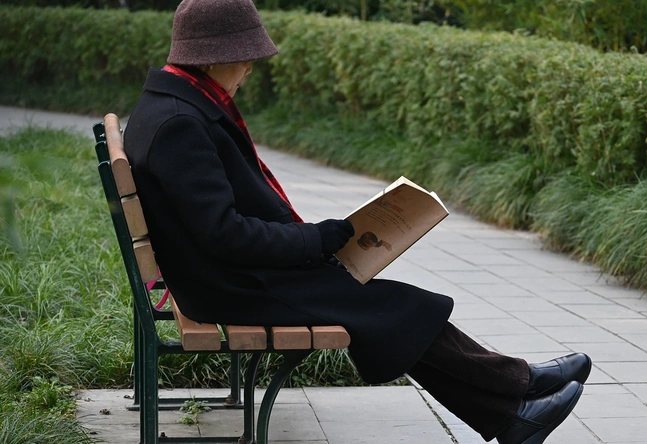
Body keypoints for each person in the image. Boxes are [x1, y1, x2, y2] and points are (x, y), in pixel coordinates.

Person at [123, 1, 591, 443]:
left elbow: (218, 227)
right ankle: (519, 391)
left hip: (226, 275)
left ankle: (514, 408)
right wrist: (316, 240)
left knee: (390, 309)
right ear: (212, 57)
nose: (249, 68)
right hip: (231, 285)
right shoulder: (181, 123)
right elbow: (225, 234)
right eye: (245, 58)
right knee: (392, 308)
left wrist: (317, 240)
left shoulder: (175, 105)